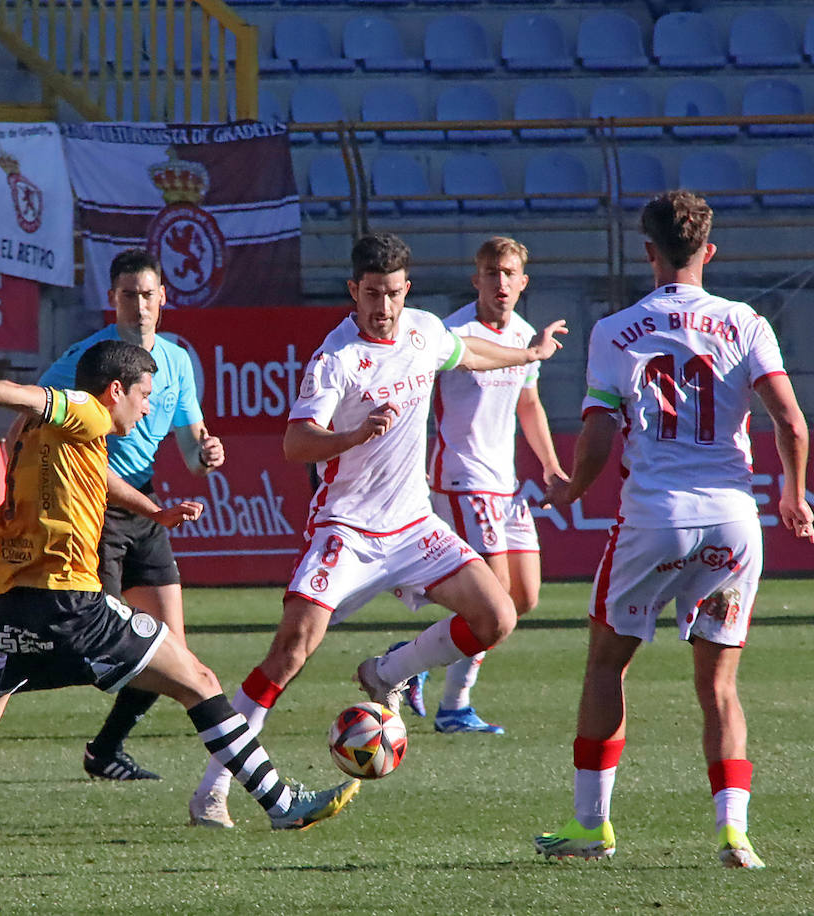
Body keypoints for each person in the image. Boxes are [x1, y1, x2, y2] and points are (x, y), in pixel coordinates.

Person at [0, 341, 360, 838]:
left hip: (12, 611)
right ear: (114, 391)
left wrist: (154, 511)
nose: (149, 408)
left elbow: (97, 476)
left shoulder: (48, 434)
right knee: (200, 682)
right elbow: (20, 391)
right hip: (72, 605)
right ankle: (281, 805)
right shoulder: (84, 409)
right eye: (145, 396)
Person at [187, 232, 567, 829]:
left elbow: (466, 352)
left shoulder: (421, 330)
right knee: (288, 654)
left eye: (391, 293)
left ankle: (387, 672)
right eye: (370, 294)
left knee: (497, 618)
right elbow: (295, 443)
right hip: (348, 530)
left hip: (414, 524)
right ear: (353, 292)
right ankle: (213, 788)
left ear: (405, 289)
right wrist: (353, 436)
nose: (382, 308)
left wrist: (529, 356)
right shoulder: (335, 358)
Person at [533, 191, 814, 868]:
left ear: (648, 251)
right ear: (709, 252)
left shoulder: (615, 329)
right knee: (718, 686)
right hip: (731, 521)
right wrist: (795, 496)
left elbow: (599, 434)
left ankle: (592, 827)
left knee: (607, 663)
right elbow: (791, 421)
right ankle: (733, 833)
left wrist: (571, 486)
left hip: (654, 518)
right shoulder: (747, 323)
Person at [36, 248, 225, 782]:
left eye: (148, 294)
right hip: (94, 510)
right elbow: (32, 411)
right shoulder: (86, 358)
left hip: (146, 506)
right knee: (102, 646)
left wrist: (206, 454)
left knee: (174, 651)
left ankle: (104, 750)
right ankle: (3, 669)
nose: (139, 305)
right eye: (128, 295)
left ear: (163, 297)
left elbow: (191, 450)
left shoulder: (178, 361)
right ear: (111, 299)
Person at [403, 237, 568, 733]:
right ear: (476, 279)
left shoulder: (524, 334)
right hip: (463, 476)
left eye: (509, 273)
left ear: (523, 282)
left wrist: (551, 465)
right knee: (493, 595)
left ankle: (426, 676)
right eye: (490, 272)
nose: (500, 282)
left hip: (507, 484)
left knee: (523, 600)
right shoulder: (455, 332)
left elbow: (528, 405)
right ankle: (441, 694)